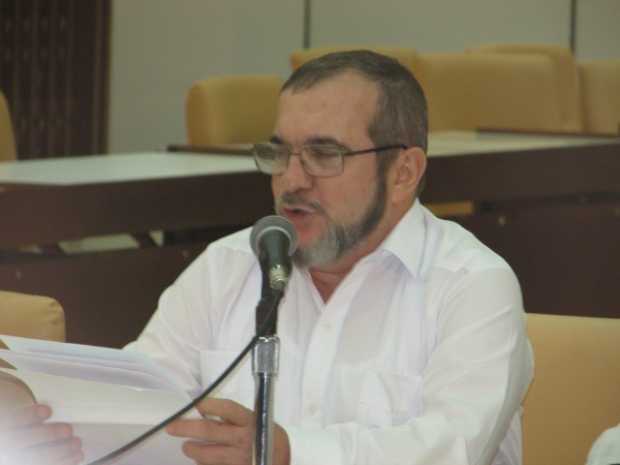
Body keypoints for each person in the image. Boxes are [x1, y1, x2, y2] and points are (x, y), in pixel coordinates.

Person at [1, 50, 534, 465]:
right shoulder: (229, 266)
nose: (292, 179)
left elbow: (452, 449)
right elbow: (143, 403)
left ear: (403, 173)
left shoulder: (472, 285)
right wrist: (59, 427)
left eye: (324, 154)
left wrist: (289, 454)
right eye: (279, 153)